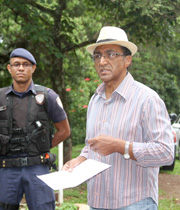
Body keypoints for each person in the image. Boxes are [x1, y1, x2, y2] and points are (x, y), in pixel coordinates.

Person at [62, 26, 174, 210]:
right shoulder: (95, 99)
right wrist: (79, 160)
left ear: (127, 60)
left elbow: (166, 152)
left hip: (134, 202)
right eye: (97, 56)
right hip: (97, 202)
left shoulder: (147, 99)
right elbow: (92, 146)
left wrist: (121, 147)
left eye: (111, 54)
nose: (102, 61)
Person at [0, 48, 70, 210]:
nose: (21, 68)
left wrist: (41, 145)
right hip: (8, 168)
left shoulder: (48, 96)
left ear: (33, 68)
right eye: (16, 64)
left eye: (26, 64)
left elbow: (64, 131)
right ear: (9, 68)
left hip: (37, 167)